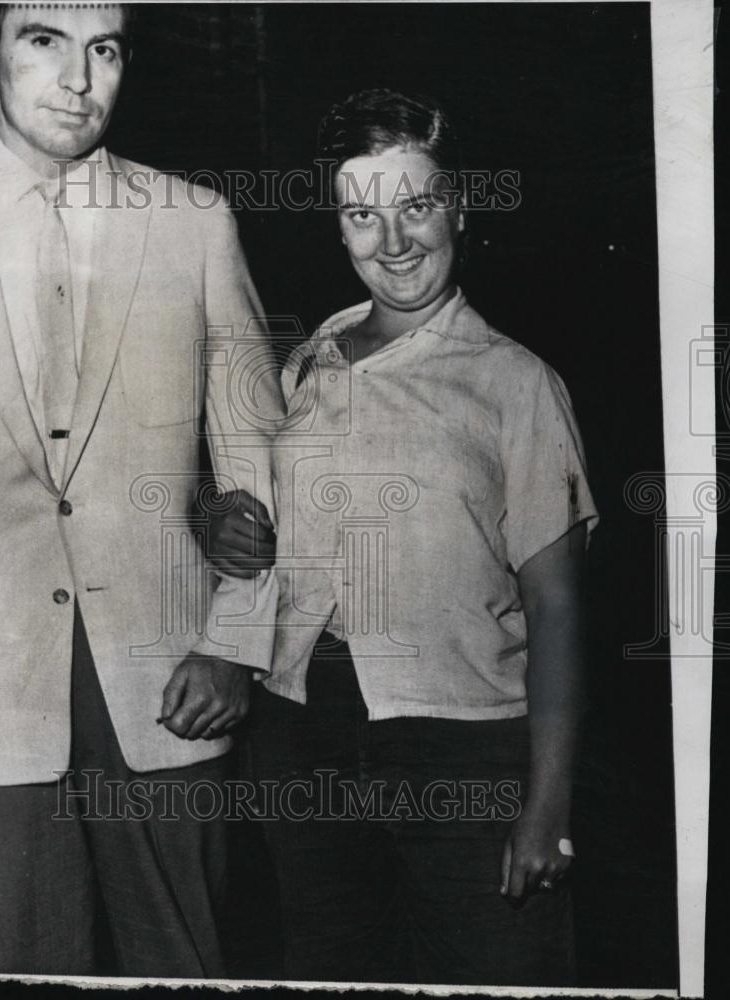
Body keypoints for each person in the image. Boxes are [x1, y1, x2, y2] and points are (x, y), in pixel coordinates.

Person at [0, 2, 283, 977]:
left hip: (170, 683)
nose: (78, 77)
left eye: (103, 48)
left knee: (183, 963)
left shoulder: (193, 221)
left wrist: (235, 639)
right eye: (44, 40)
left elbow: (257, 456)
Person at [208, 89, 598, 986]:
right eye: (362, 215)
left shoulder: (517, 383)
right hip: (303, 724)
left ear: (458, 205)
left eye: (416, 206)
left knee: (495, 968)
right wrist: (227, 528)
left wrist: (548, 806)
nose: (393, 242)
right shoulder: (305, 362)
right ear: (338, 228)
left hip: (462, 741)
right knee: (332, 965)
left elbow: (560, 609)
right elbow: (257, 516)